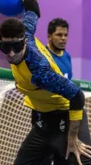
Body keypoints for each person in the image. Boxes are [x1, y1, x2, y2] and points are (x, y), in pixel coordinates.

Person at [0, 0, 91, 165]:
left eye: (16, 47)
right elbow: (33, 10)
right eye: (4, 47)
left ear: (24, 42)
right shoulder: (24, 31)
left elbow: (77, 96)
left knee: (81, 161)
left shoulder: (40, 71)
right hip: (44, 120)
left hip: (66, 115)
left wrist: (73, 137)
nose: (10, 53)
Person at [31, 18, 73, 164]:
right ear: (49, 36)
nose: (63, 39)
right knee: (43, 158)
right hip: (44, 113)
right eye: (59, 35)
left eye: (65, 35)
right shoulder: (41, 58)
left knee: (62, 157)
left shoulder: (67, 56)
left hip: (64, 114)